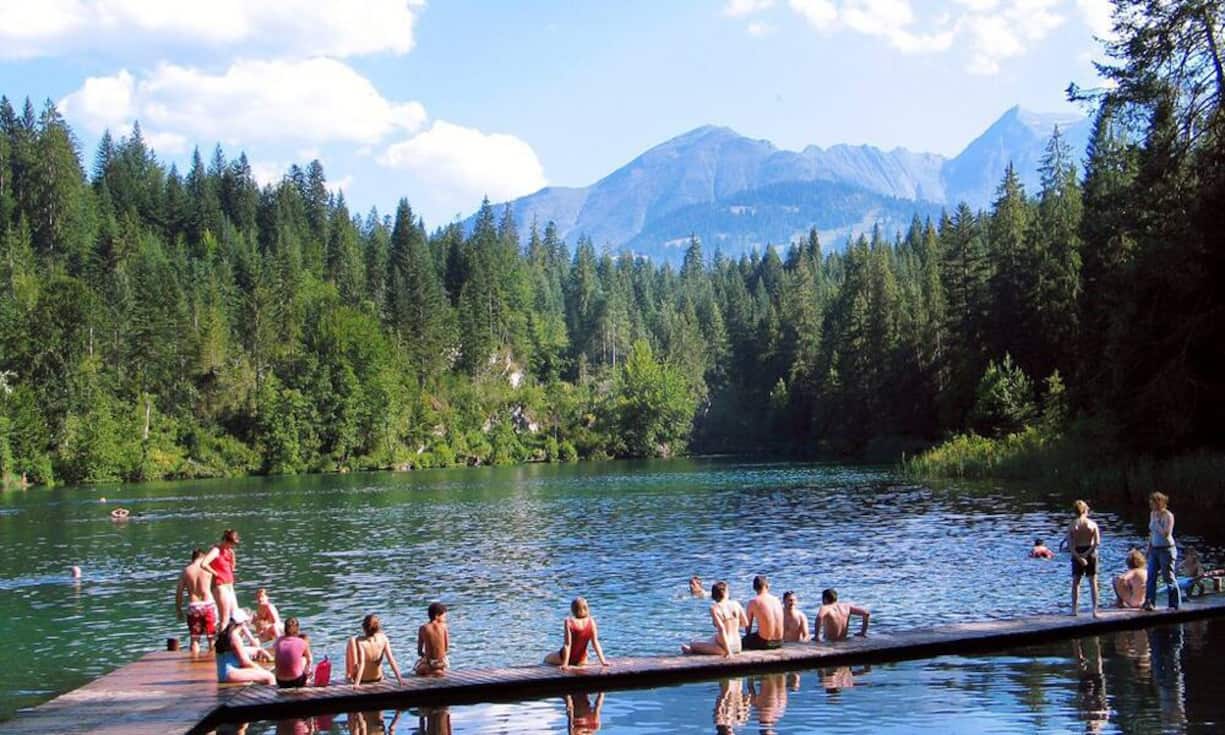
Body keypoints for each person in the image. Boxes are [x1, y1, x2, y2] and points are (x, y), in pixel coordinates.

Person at [682, 580, 747, 656]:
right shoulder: (736, 604)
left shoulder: (715, 608)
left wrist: (728, 652)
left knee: (692, 645)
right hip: (737, 645)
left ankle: (692, 652)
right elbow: (745, 623)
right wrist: (733, 624)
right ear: (725, 592)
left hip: (724, 647)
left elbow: (722, 629)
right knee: (713, 638)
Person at [544, 597, 610, 669]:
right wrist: (603, 661)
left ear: (573, 610)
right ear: (586, 608)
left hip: (564, 657)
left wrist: (565, 664)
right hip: (582, 659)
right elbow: (595, 642)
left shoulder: (568, 621)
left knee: (546, 659)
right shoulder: (591, 621)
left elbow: (567, 645)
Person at [176, 548, 217, 655]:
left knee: (195, 639)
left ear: (193, 558)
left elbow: (179, 591)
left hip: (194, 606)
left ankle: (195, 664)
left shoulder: (186, 571)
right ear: (203, 557)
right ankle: (212, 663)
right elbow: (217, 586)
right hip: (208, 604)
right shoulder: (208, 568)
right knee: (211, 638)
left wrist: (178, 609)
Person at [1144, 491, 1181, 611]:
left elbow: (1166, 533)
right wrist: (1148, 548)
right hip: (1154, 549)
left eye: (1153, 502)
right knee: (1151, 576)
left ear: (1159, 502)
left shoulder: (1168, 515)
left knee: (1168, 577)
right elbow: (1152, 532)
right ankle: (1150, 602)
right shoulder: (1152, 514)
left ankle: (1174, 604)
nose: (1151, 504)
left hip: (1166, 549)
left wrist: (1156, 523)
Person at [215, 614, 276, 685]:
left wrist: (258, 650)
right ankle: (272, 695)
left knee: (261, 674)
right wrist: (261, 670)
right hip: (229, 673)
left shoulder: (225, 635)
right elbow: (244, 662)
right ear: (242, 624)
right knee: (269, 676)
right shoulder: (235, 637)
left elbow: (237, 652)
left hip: (222, 673)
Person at [345, 613, 404, 688]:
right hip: (377, 678)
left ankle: (348, 675)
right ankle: (350, 676)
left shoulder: (360, 641)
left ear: (363, 627)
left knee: (351, 640)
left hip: (363, 679)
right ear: (378, 627)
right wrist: (400, 680)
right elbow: (391, 660)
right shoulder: (383, 638)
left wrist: (357, 684)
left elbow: (362, 663)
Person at [198, 529, 241, 628]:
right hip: (220, 585)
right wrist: (215, 573)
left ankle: (229, 639)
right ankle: (220, 642)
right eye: (231, 544)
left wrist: (233, 558)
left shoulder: (229, 551)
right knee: (224, 618)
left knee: (236, 615)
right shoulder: (216, 550)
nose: (233, 546)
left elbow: (232, 568)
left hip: (229, 584)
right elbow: (204, 564)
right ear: (226, 540)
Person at [1067, 499, 1102, 618]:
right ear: (1085, 510)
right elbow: (1097, 542)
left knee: (1076, 582)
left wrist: (1079, 556)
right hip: (1090, 553)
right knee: (1093, 581)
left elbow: (1070, 546)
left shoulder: (1072, 525)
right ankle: (1095, 610)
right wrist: (1087, 554)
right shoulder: (1092, 524)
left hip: (1077, 552)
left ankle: (1074, 609)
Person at [742, 575, 784, 650]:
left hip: (765, 643)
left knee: (743, 641)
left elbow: (748, 627)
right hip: (779, 642)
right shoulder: (777, 600)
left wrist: (747, 638)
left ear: (754, 588)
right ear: (767, 586)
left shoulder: (753, 602)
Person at [273, 617, 314, 688]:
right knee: (303, 658)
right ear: (298, 629)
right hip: (297, 681)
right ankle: (307, 681)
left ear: (285, 629)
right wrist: (308, 670)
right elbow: (310, 660)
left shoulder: (278, 641)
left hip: (280, 681)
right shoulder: (302, 642)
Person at [415, 602, 450, 676]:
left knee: (417, 668)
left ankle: (429, 670)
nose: (445, 619)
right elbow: (446, 648)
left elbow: (419, 651)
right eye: (444, 616)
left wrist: (424, 657)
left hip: (430, 663)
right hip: (442, 663)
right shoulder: (444, 627)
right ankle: (438, 670)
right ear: (437, 616)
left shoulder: (423, 628)